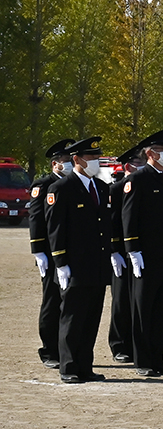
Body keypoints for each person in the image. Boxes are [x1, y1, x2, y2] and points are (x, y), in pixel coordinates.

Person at [122, 130, 163, 378]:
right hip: (147, 256)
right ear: (151, 154)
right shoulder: (139, 180)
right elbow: (129, 217)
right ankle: (142, 361)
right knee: (144, 310)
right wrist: (133, 250)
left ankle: (158, 358)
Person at [45, 136, 111, 383]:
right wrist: (60, 262)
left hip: (97, 264)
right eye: (91, 157)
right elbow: (56, 229)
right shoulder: (61, 189)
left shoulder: (101, 188)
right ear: (76, 159)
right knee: (72, 318)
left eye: (97, 157)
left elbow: (104, 226)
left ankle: (85, 365)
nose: (96, 161)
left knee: (91, 318)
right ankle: (69, 367)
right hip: (74, 265)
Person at [29, 138, 74, 368]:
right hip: (50, 251)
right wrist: (38, 250)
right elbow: (36, 218)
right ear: (55, 163)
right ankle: (49, 350)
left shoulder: (75, 184)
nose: (69, 164)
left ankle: (66, 349)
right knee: (52, 299)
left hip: (71, 250)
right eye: (66, 160)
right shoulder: (44, 184)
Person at [107, 144, 143, 364]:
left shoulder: (144, 187)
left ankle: (134, 344)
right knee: (121, 301)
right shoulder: (117, 189)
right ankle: (119, 345)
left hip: (139, 252)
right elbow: (113, 223)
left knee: (136, 302)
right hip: (121, 252)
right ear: (129, 165)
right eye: (139, 162)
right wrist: (114, 251)